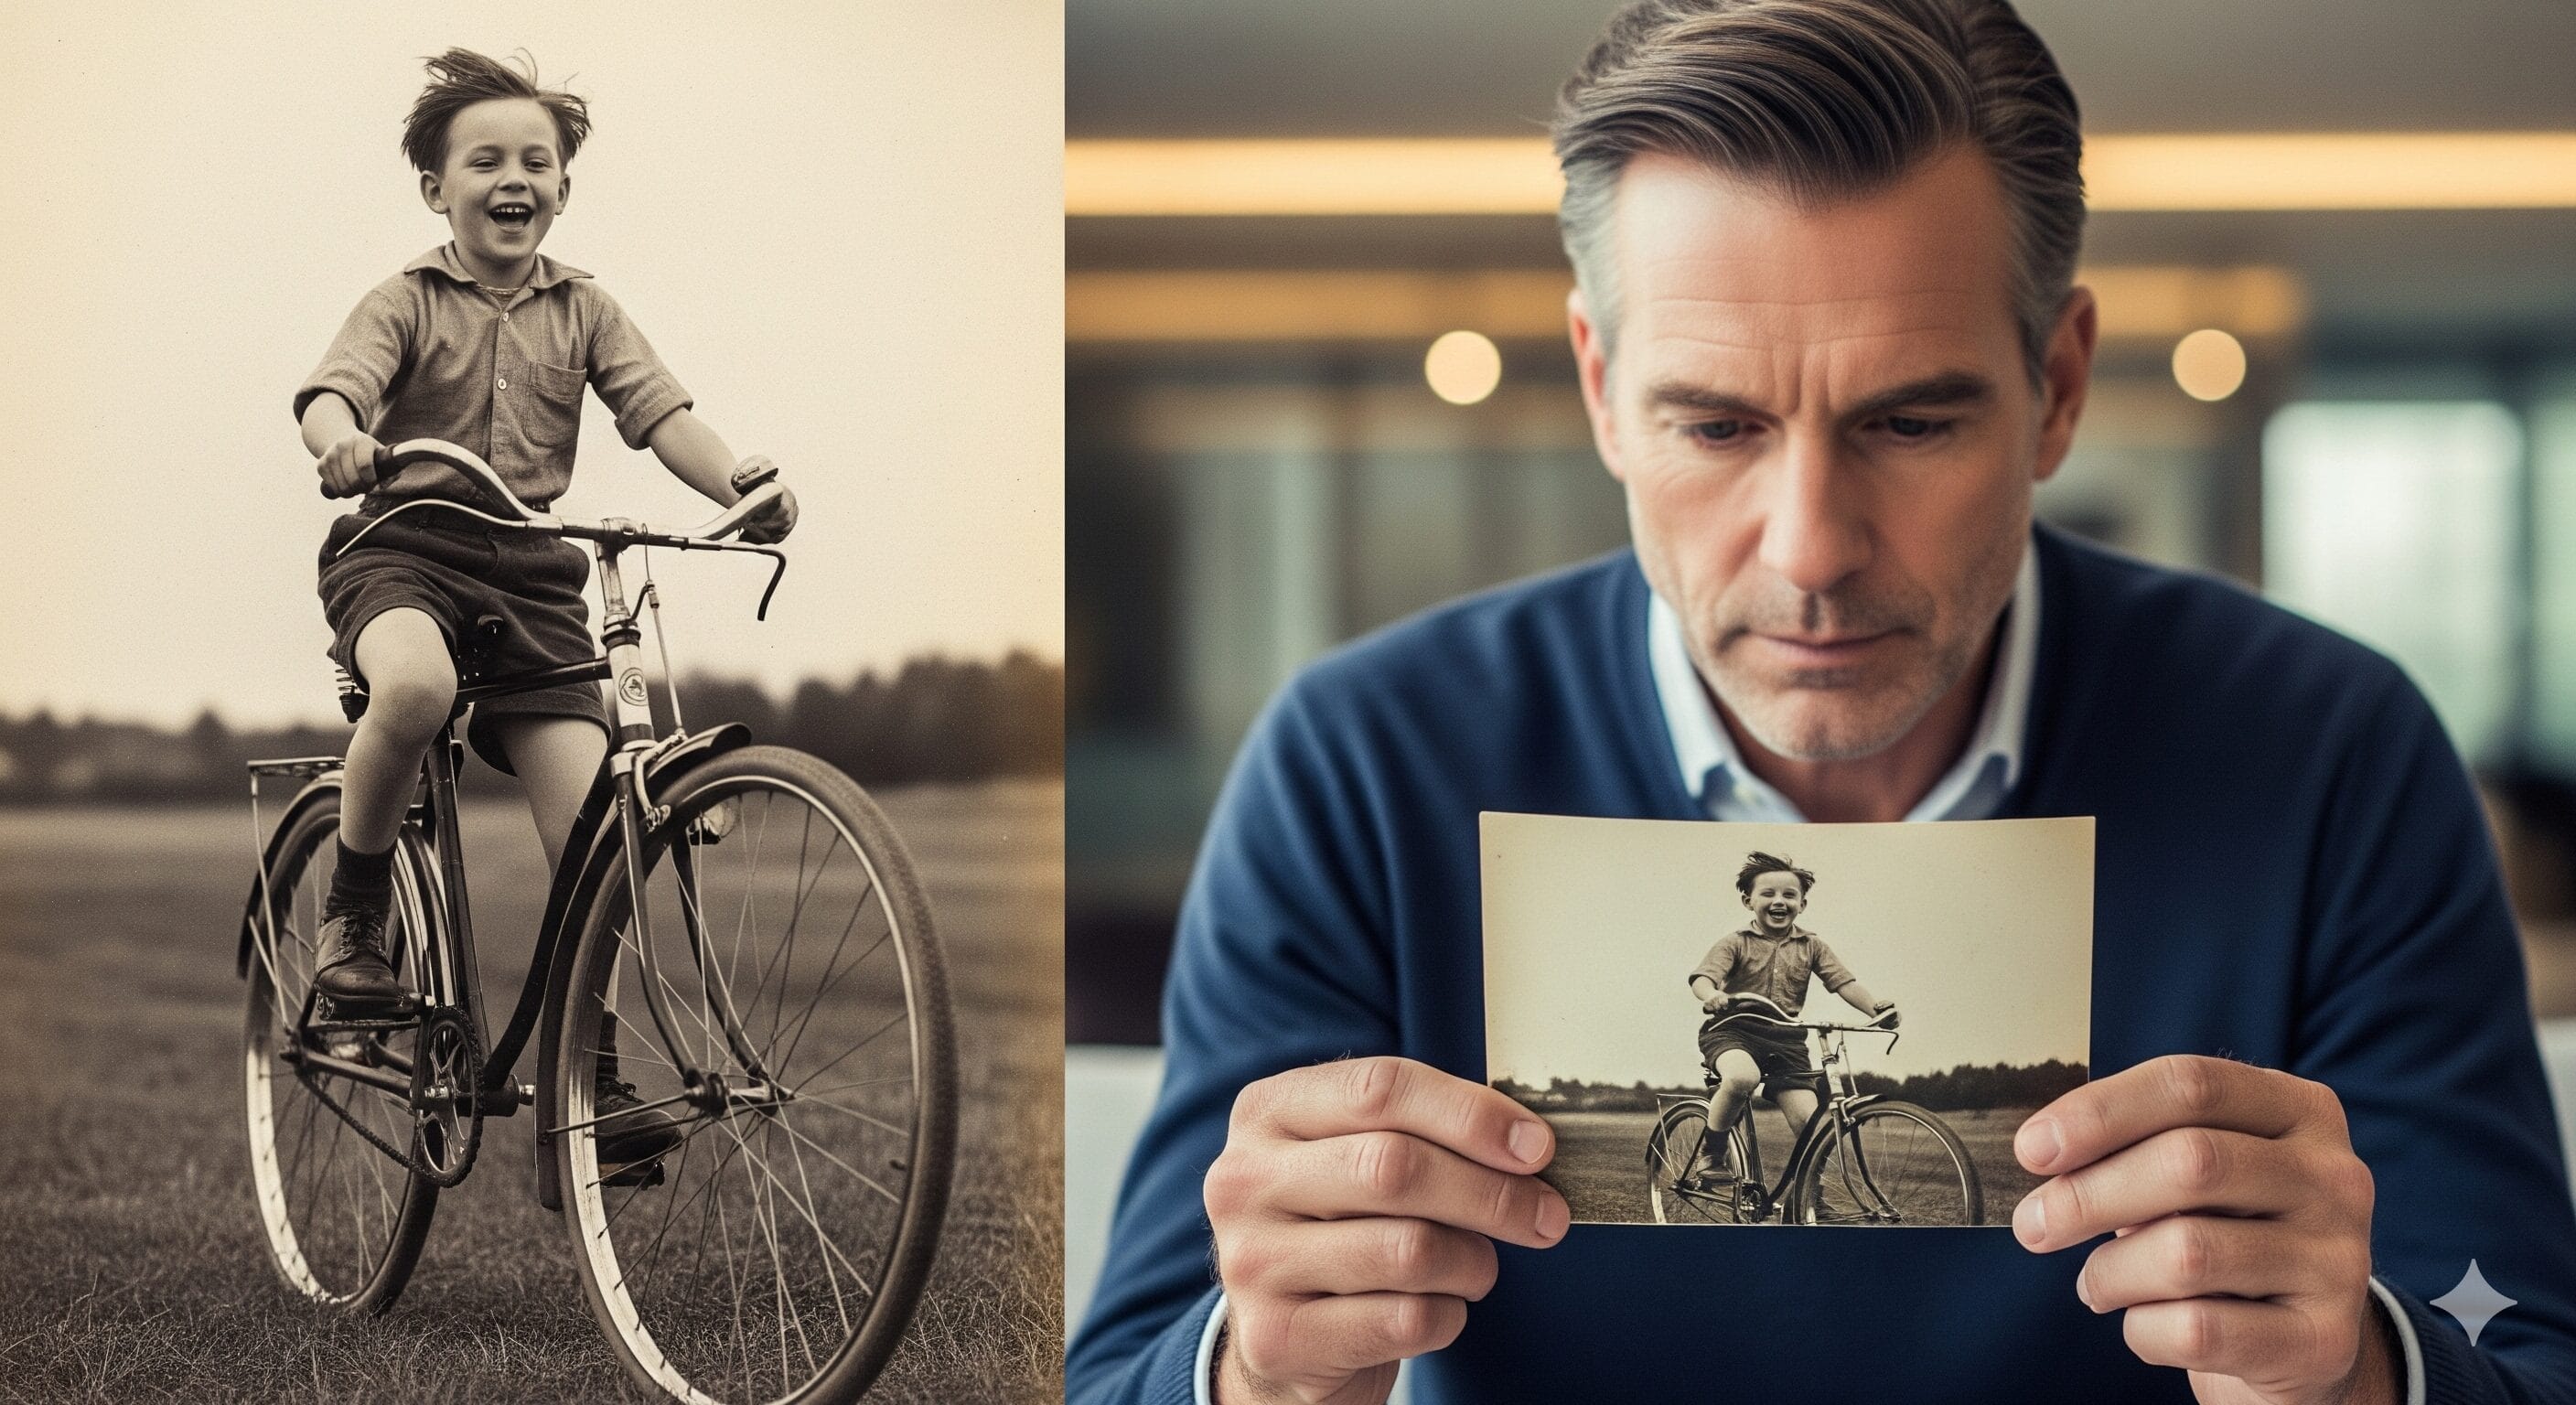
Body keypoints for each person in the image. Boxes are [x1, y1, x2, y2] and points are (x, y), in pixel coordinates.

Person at [1066, 2, 2576, 1402]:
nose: (1810, 551)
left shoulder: (2330, 754)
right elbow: (1120, 1370)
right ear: (1599, 390)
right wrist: (1251, 1365)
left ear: (2056, 388)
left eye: (1910, 420)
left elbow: (2530, 1356)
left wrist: (2370, 1368)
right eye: (1714, 423)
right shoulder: (1364, 764)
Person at [294, 49, 796, 1167]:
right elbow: (333, 392)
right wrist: (342, 443)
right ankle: (354, 913)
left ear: (563, 186)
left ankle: (595, 1080)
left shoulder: (588, 312)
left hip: (529, 572)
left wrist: (741, 489)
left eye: (537, 159)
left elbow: (663, 417)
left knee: (595, 839)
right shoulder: (406, 301)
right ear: (439, 188)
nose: (513, 177)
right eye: (485, 160)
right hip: (402, 551)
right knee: (414, 688)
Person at [1689, 852, 1897, 1176]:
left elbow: (1844, 982)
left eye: (1789, 895)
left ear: (1802, 904)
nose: (1779, 902)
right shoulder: (1735, 943)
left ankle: (1811, 1201)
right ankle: (1712, 1153)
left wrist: (1877, 1011)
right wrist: (1713, 994)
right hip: (1733, 1030)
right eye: (1768, 894)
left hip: (1786, 1040)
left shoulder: (1812, 946)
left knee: (1812, 1126)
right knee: (1743, 1078)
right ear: (1748, 901)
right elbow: (1703, 978)